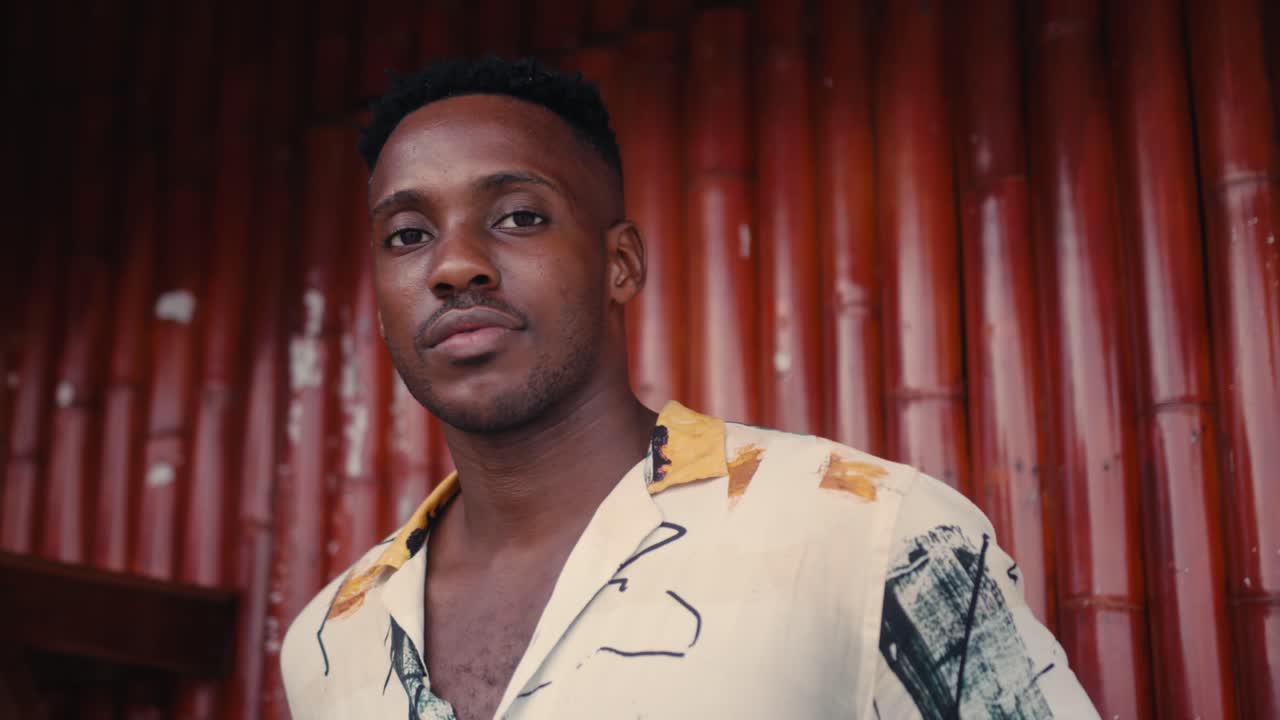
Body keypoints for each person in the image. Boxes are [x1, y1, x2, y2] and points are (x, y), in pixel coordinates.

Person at [280, 56, 1099, 719]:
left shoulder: (874, 533)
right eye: (409, 234)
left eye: (520, 216)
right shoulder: (330, 640)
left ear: (620, 264)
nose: (454, 265)